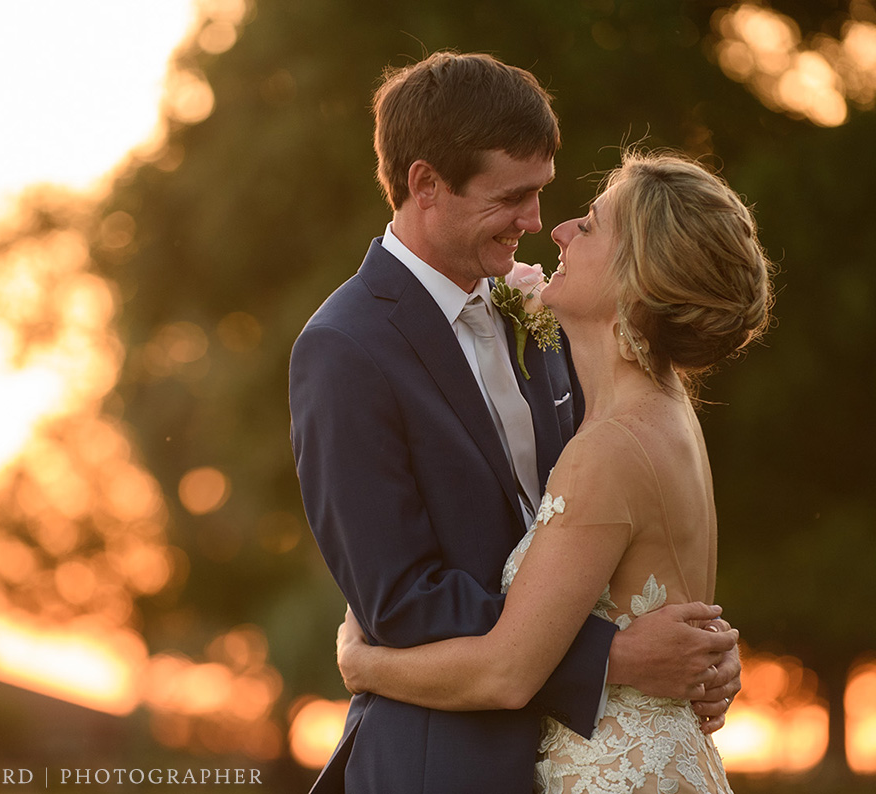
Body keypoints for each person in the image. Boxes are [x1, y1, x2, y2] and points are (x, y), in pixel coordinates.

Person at [289, 51, 741, 794]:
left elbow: (608, 522)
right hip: (448, 763)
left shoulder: (550, 315)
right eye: (513, 197)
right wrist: (617, 658)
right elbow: (402, 603)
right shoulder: (345, 351)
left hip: (582, 755)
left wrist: (699, 646)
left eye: (544, 195)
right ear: (426, 184)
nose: (536, 223)